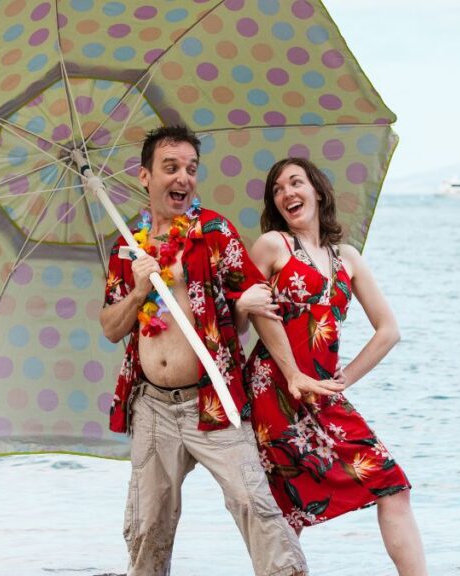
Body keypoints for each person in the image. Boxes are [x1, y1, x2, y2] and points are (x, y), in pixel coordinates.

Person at [94, 125, 308, 576]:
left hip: (213, 401)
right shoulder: (125, 247)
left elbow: (257, 301)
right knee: (147, 527)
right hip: (152, 406)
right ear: (145, 176)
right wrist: (137, 292)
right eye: (170, 168)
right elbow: (112, 328)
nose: (183, 178)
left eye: (191, 169)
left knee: (255, 505)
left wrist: (291, 372)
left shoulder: (214, 232)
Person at [240, 157, 428, 575]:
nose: (288, 193)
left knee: (392, 485)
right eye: (278, 189)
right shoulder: (273, 245)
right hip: (275, 387)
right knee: (287, 507)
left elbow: (388, 330)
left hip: (321, 391)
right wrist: (292, 372)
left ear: (318, 191)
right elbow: (253, 314)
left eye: (296, 183)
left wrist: (344, 379)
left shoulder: (348, 258)